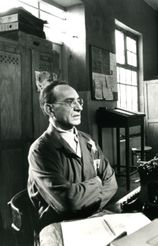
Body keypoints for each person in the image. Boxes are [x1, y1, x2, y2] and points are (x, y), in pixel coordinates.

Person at [28, 80, 118, 230]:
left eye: (79, 101)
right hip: (58, 227)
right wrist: (97, 182)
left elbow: (112, 182)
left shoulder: (88, 140)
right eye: (70, 102)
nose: (80, 107)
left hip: (92, 219)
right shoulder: (40, 150)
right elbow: (68, 202)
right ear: (50, 109)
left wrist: (84, 202)